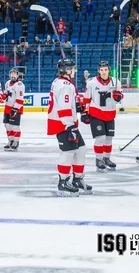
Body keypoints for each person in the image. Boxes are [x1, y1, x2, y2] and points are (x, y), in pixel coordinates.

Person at [47, 59, 93, 197]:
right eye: (72, 68)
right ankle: (63, 182)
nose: (74, 70)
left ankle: (77, 179)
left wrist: (78, 107)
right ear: (66, 70)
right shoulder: (65, 85)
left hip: (66, 123)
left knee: (81, 149)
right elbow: (64, 107)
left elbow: (67, 103)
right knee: (68, 152)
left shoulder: (60, 82)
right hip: (64, 124)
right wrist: (70, 126)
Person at [82, 61, 123, 172]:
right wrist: (84, 112)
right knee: (100, 138)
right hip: (96, 113)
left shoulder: (115, 82)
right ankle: (99, 159)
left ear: (109, 70)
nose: (104, 72)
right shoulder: (91, 82)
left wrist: (118, 96)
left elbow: (120, 98)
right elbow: (87, 99)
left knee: (109, 139)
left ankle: (106, 158)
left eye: (105, 69)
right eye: (101, 70)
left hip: (110, 113)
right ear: (98, 71)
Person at [2, 68, 25, 151]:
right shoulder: (7, 83)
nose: (13, 75)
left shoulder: (20, 85)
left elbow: (20, 99)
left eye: (15, 73)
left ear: (18, 75)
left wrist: (15, 109)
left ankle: (16, 141)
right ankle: (10, 140)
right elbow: (5, 93)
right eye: (11, 73)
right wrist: (4, 96)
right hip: (7, 107)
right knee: (7, 126)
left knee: (15, 126)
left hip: (16, 108)